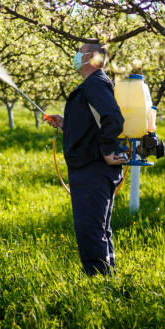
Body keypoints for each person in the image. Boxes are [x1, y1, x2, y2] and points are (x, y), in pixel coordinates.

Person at [47, 40, 126, 276]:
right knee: (99, 228)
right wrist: (66, 123)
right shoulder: (93, 85)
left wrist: (107, 152)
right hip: (91, 169)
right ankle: (108, 279)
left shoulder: (95, 84)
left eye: (80, 52)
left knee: (90, 229)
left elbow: (113, 118)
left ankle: (98, 283)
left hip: (93, 170)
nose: (76, 56)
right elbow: (94, 124)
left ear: (92, 57)